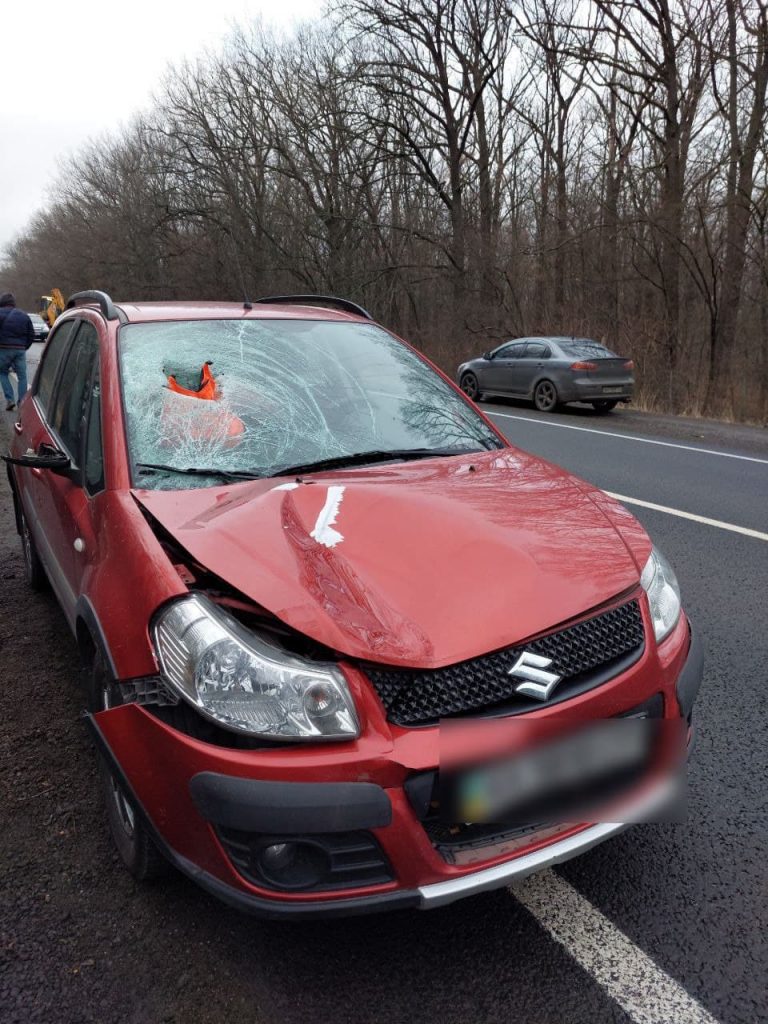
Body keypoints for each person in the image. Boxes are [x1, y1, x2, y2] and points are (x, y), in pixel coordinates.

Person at [0, 292, 35, 411]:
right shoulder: (24, 315)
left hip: (3, 349)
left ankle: (10, 400)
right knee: (22, 376)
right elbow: (31, 334)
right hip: (20, 350)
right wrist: (23, 347)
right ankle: (22, 402)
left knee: (2, 373)